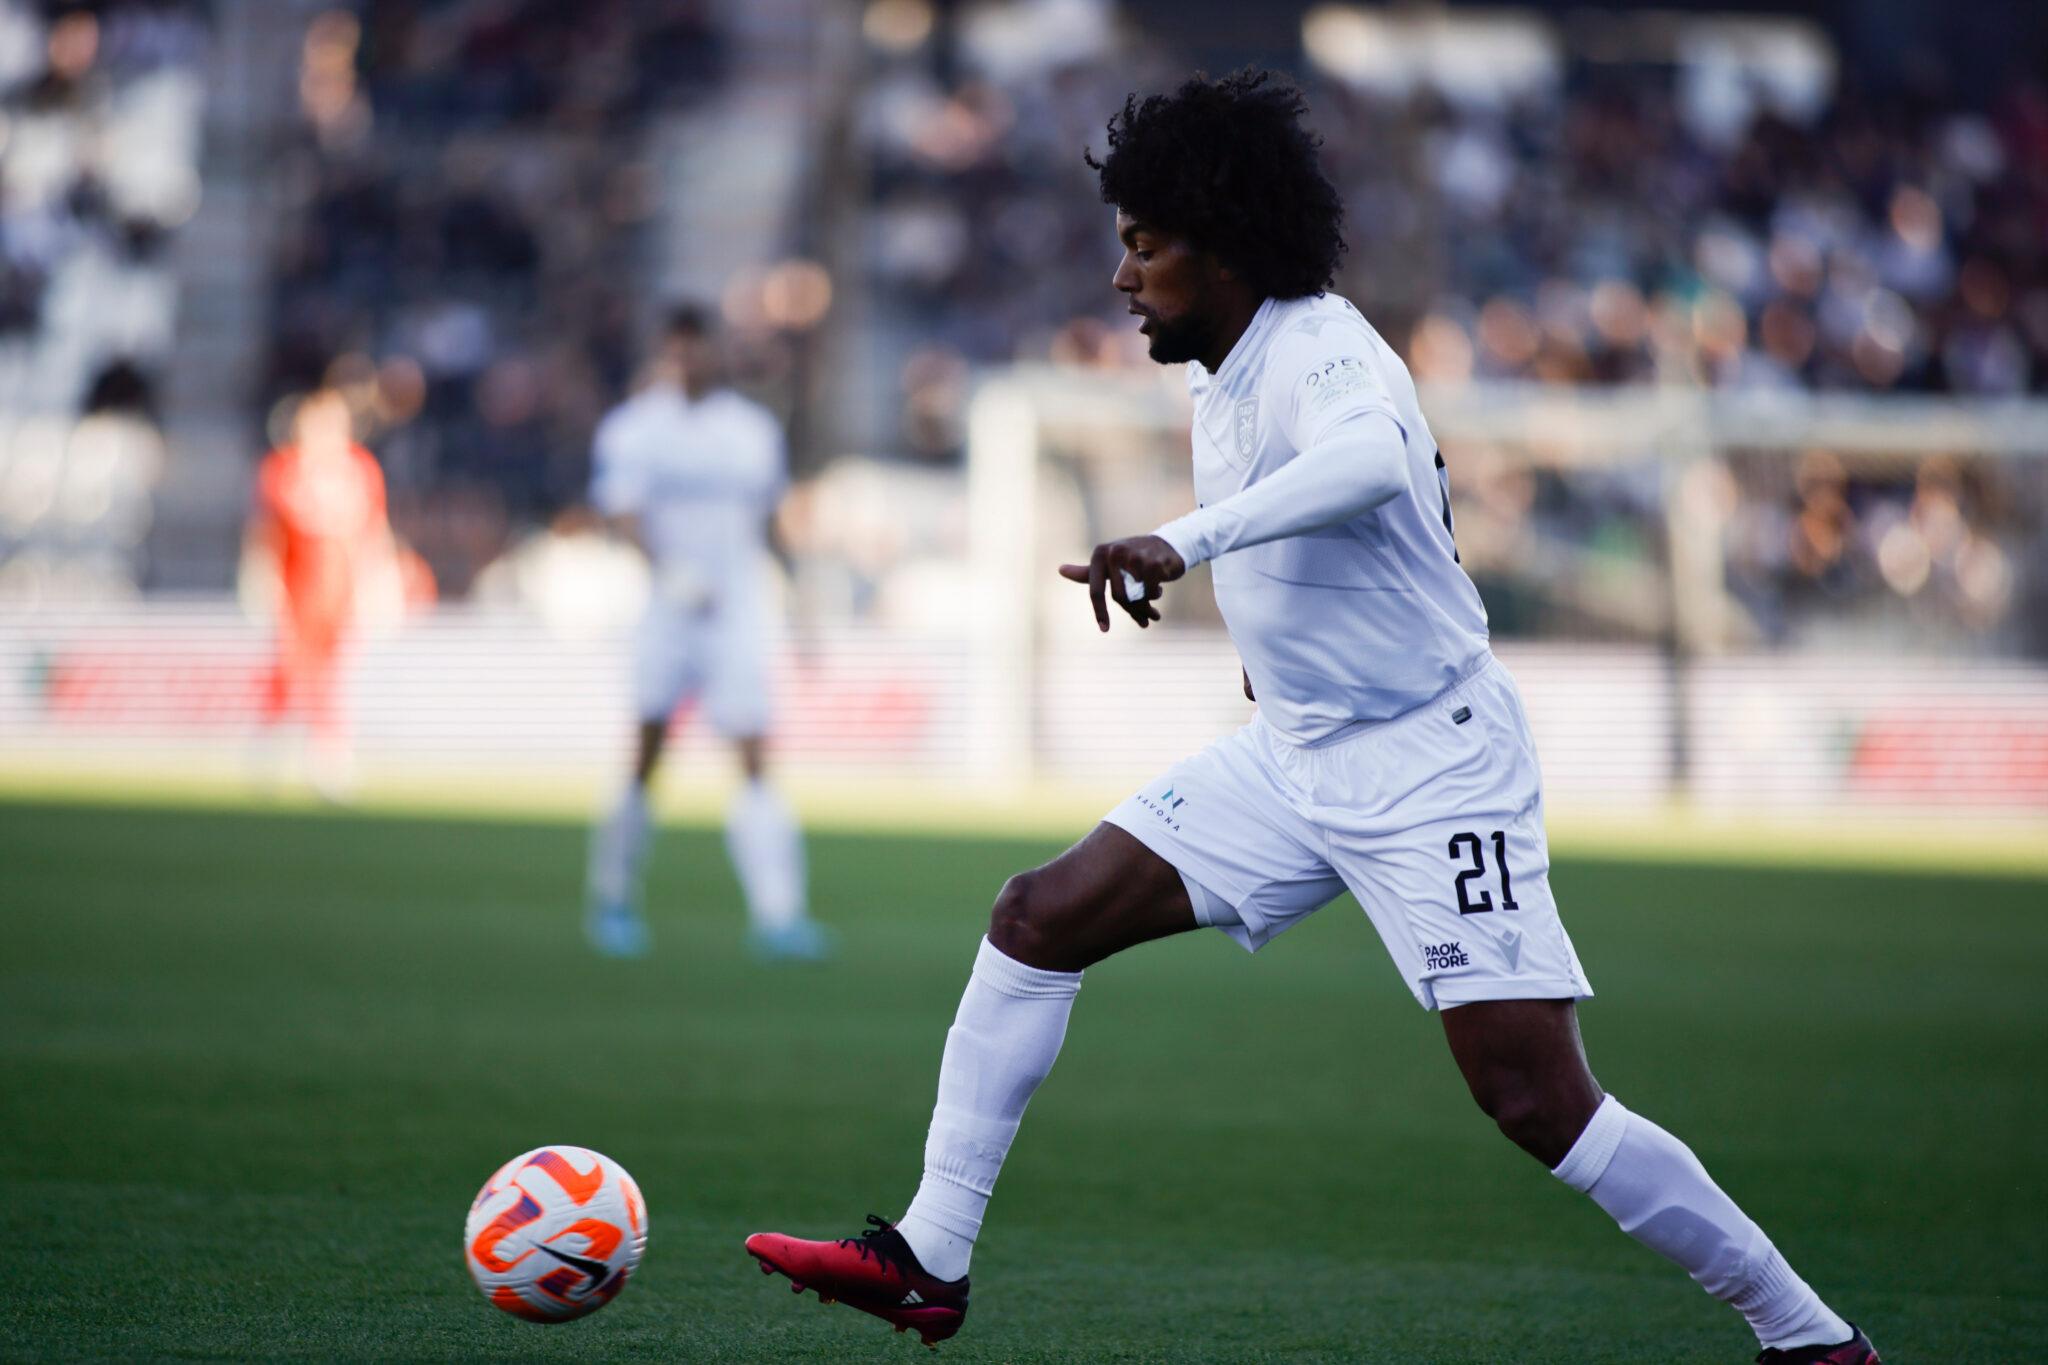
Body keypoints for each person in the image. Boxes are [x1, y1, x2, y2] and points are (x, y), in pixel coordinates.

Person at [742, 71, 1879, 1363]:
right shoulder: (1220, 368)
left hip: (1431, 764)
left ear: (1225, 246)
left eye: (1145, 245)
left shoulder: (1318, 345)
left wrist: (1183, 541)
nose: (1123, 277)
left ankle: (1808, 1337)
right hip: (1296, 755)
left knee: (1534, 1100)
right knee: (1036, 916)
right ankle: (928, 1257)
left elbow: (1368, 463)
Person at [583, 305, 831, 962]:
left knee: (754, 755)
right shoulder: (635, 429)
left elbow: (772, 523)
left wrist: (801, 606)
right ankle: (612, 900)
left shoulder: (750, 430)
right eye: (679, 348)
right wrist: (669, 574)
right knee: (646, 751)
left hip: (736, 614)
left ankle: (779, 915)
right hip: (666, 614)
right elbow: (625, 515)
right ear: (665, 351)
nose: (690, 359)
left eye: (699, 347)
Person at [247, 388, 394, 800]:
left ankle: (329, 756)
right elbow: (266, 532)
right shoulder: (282, 468)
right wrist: (262, 578)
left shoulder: (361, 469)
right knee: (290, 669)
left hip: (343, 590)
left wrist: (380, 581)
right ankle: (269, 747)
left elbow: (374, 532)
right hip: (297, 589)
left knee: (336, 675)